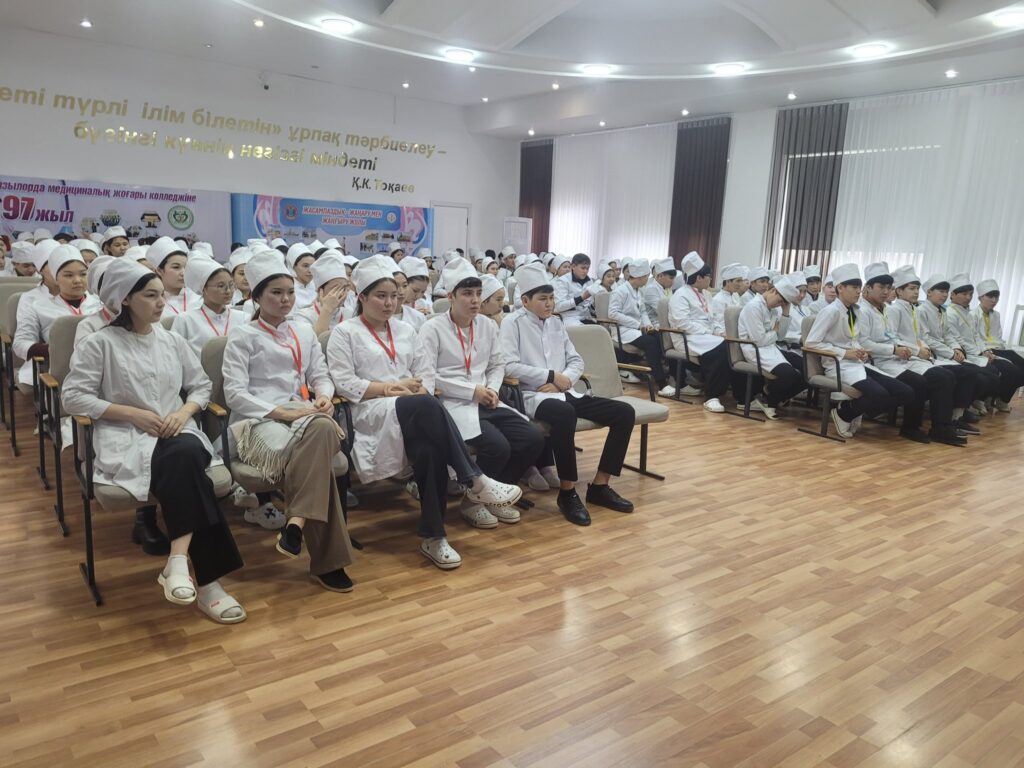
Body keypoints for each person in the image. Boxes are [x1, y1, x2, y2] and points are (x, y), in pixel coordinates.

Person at [62, 258, 245, 623]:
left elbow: (201, 385)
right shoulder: (99, 343)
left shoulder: (172, 340)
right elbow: (73, 397)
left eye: (163, 294)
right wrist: (132, 414)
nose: (161, 302)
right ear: (125, 299)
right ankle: (208, 584)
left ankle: (178, 562)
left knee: (186, 451)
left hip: (176, 430)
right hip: (126, 435)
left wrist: (183, 412)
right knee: (189, 464)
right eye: (150, 295)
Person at [327, 255, 522, 569]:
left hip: (414, 409)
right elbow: (344, 383)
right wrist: (390, 388)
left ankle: (434, 536)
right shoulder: (345, 332)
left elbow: (425, 374)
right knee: (427, 405)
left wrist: (416, 389)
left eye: (394, 296)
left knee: (430, 449)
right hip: (369, 411)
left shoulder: (405, 330)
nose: (389, 303)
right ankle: (473, 478)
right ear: (361, 297)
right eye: (380, 296)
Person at [221, 250, 356, 592]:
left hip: (303, 415)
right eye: (276, 293)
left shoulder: (303, 331)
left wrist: (323, 396)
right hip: (257, 420)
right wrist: (279, 412)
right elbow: (235, 394)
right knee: (319, 457)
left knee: (322, 425)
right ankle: (326, 560)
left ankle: (295, 523)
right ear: (256, 297)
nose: (285, 299)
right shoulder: (243, 335)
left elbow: (320, 375)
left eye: (290, 292)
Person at [500, 262, 636, 526]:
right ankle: (567, 492)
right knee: (564, 414)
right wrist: (550, 376)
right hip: (532, 395)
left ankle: (600, 486)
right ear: (525, 301)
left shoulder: (556, 323)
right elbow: (508, 365)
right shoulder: (512, 323)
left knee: (624, 413)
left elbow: (576, 360)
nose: (550, 304)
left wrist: (563, 381)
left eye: (551, 298)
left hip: (565, 390)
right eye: (543, 299)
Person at [419, 257, 545, 528]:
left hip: (486, 398)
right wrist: (471, 391)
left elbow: (497, 365)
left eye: (478, 293)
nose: (475, 300)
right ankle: (473, 502)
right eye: (467, 294)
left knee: (532, 438)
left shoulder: (487, 326)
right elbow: (428, 375)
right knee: (497, 446)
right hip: (452, 403)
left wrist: (491, 388)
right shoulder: (432, 328)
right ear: (450, 297)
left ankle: (492, 498)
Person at [858, 263, 966, 446]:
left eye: (888, 287)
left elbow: (892, 335)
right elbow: (865, 343)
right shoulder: (867, 310)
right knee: (927, 381)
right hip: (880, 361)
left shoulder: (885, 310)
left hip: (898, 356)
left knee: (945, 377)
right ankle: (915, 427)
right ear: (868, 287)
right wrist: (902, 350)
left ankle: (941, 425)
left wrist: (911, 349)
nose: (886, 292)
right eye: (881, 287)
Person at [805, 263, 913, 439]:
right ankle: (845, 413)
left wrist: (860, 350)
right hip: (839, 366)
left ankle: (850, 410)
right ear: (840, 288)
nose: (858, 291)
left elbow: (853, 339)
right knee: (880, 395)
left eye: (859, 287)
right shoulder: (830, 311)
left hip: (857, 363)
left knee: (905, 392)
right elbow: (810, 343)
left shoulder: (855, 310)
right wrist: (843, 353)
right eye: (854, 287)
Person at [12, 244, 101, 387]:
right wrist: (54, 350)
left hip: (100, 366)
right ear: (56, 278)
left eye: (83, 274)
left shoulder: (100, 303)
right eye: (68, 275)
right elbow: (20, 344)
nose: (77, 280)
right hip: (58, 369)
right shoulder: (38, 306)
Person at [912, 273, 991, 428]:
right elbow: (926, 338)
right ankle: (953, 416)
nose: (944, 295)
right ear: (929, 292)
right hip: (935, 355)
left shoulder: (942, 311)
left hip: (946, 353)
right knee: (968, 373)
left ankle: (958, 414)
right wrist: (950, 353)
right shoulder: (922, 311)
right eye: (941, 291)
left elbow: (947, 334)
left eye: (946, 292)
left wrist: (956, 348)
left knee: (977, 373)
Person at [668, 252, 742, 412]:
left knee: (730, 345)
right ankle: (711, 396)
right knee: (721, 349)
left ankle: (739, 396)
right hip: (687, 337)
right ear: (699, 277)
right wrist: (709, 332)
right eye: (708, 276)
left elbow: (712, 319)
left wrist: (718, 331)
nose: (711, 279)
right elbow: (683, 323)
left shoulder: (707, 294)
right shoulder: (680, 295)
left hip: (705, 336)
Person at [945, 273, 1023, 411]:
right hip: (969, 352)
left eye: (970, 294)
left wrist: (984, 351)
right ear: (953, 294)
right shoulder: (951, 313)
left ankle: (986, 400)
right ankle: (974, 402)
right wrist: (982, 351)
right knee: (999, 372)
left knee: (1012, 367)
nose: (968, 297)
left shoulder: (966, 313)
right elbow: (957, 340)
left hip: (983, 350)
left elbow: (976, 336)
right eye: (964, 294)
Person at [737, 276, 805, 420]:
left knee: (807, 369)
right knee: (790, 375)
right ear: (773, 291)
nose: (778, 305)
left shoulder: (772, 309)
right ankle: (770, 402)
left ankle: (772, 394)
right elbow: (759, 340)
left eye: (782, 304)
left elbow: (780, 336)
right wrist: (774, 332)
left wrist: (785, 312)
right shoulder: (754, 307)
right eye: (779, 301)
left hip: (771, 348)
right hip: (756, 351)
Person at [608, 258, 674, 397]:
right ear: (639, 277)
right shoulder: (620, 291)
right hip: (623, 330)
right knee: (651, 342)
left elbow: (643, 312)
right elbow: (613, 314)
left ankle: (666, 375)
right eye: (646, 276)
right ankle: (661, 383)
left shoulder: (638, 291)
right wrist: (637, 325)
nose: (648, 279)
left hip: (636, 329)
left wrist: (648, 325)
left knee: (659, 336)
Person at [170, 258, 246, 357]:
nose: (228, 291)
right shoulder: (186, 320)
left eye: (231, 285)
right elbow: (174, 354)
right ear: (204, 288)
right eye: (221, 286)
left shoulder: (243, 317)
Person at [974, 278, 1024, 410]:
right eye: (990, 297)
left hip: (998, 348)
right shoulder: (973, 315)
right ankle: (991, 398)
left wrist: (1004, 349)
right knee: (1012, 371)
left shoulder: (996, 315)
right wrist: (986, 351)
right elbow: (974, 338)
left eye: (996, 297)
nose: (994, 300)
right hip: (984, 350)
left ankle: (1001, 398)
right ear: (980, 297)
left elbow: (998, 337)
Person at [293, 252, 353, 335]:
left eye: (344, 288)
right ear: (320, 291)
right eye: (335, 288)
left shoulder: (350, 314)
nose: (341, 293)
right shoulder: (303, 316)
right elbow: (312, 342)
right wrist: (327, 310)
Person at [145, 237, 197, 319]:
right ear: (159, 270)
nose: (183, 273)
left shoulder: (197, 298)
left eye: (186, 267)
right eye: (176, 267)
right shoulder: (150, 303)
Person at [553, 253, 596, 327]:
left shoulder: (589, 281)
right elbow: (559, 306)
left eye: (587, 268)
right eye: (583, 268)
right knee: (585, 331)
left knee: (600, 331)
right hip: (569, 318)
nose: (585, 271)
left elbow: (589, 304)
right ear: (573, 266)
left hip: (586, 317)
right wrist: (581, 298)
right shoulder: (563, 281)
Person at [709, 263, 746, 336]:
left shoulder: (735, 296)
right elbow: (717, 324)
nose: (740, 284)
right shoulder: (718, 300)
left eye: (741, 281)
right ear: (728, 281)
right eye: (738, 281)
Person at [644, 258, 679, 328]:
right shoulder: (651, 289)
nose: (673, 282)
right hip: (655, 326)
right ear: (660, 276)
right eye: (671, 278)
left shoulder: (666, 289)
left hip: (668, 323)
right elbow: (663, 311)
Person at [285, 243, 317, 309]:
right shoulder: (288, 289)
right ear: (294, 267)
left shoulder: (317, 285)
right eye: (305, 266)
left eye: (312, 266)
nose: (310, 270)